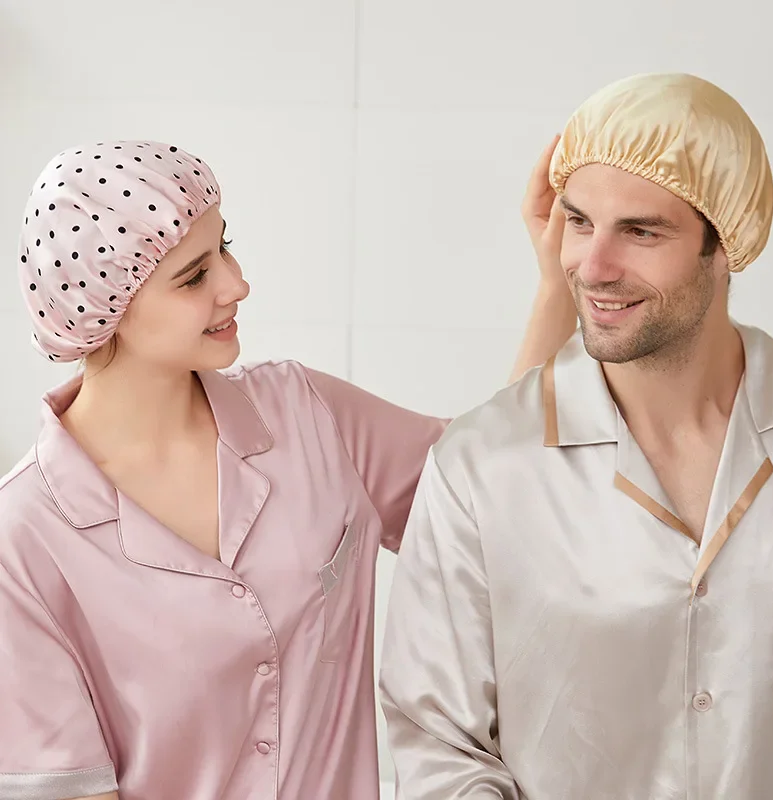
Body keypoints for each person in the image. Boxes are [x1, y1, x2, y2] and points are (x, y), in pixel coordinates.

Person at [0, 140, 554, 800]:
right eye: (193, 276)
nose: (237, 283)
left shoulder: (310, 416)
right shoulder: (24, 541)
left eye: (225, 249)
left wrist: (556, 287)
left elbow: (497, 487)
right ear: (105, 306)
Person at [380, 72, 773, 799]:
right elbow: (439, 746)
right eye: (578, 222)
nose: (593, 267)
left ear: (727, 243)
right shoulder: (482, 466)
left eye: (640, 231)